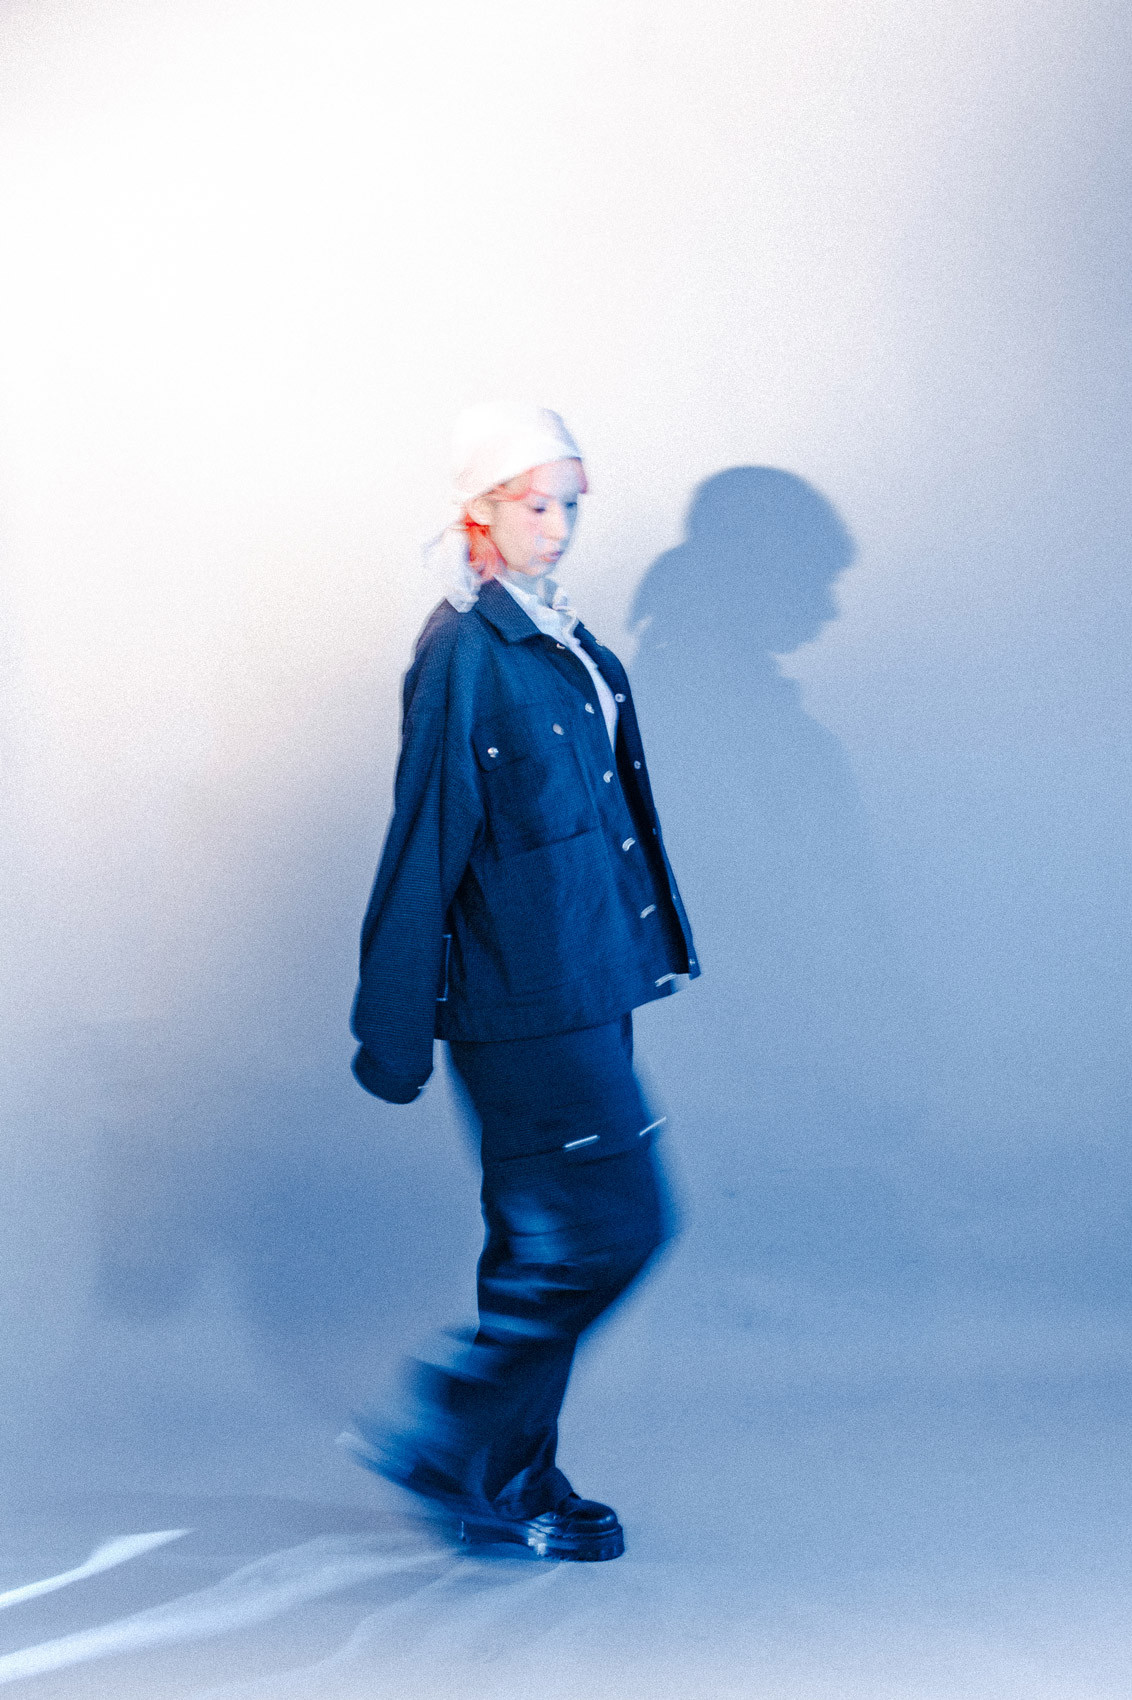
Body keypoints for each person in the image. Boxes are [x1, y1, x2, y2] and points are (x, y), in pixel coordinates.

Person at [346, 403, 698, 1562]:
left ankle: (505, 1483)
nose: (558, 526)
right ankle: (443, 1429)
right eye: (535, 503)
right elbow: (425, 837)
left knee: (539, 1245)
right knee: (619, 1224)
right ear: (479, 508)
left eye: (569, 504)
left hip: (585, 981)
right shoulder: (466, 651)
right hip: (525, 1005)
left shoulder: (553, 632)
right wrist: (393, 1026)